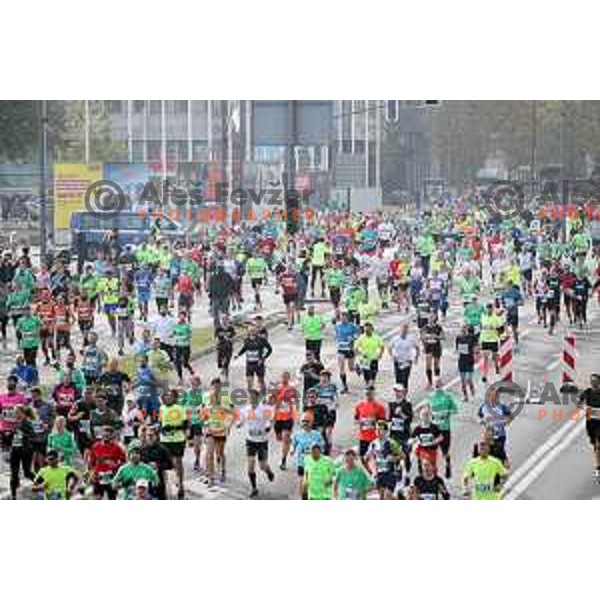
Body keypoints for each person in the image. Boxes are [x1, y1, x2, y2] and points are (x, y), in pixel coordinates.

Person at [238, 388, 276, 498]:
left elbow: (272, 419)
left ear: (258, 398)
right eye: (250, 397)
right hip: (250, 441)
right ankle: (254, 488)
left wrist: (269, 426)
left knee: (262, 466)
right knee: (250, 465)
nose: (251, 399)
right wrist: (239, 424)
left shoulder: (265, 409)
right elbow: (242, 420)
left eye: (254, 397)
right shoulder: (245, 410)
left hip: (262, 441)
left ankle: (268, 471)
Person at [158, 389, 187, 499]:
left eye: (170, 396)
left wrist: (173, 427)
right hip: (164, 440)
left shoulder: (180, 408)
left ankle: (181, 485)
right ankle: (168, 487)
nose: (168, 398)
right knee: (166, 465)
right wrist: (161, 429)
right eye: (166, 396)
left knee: (178, 463)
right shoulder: (162, 408)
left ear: (174, 398)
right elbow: (161, 423)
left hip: (178, 440)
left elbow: (185, 424)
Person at [428, 378, 459, 479]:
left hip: (444, 428)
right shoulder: (430, 397)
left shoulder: (447, 397)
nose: (437, 386)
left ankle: (448, 465)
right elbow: (429, 411)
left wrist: (447, 413)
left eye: (439, 384)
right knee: (432, 452)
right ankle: (433, 473)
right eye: (436, 384)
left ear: (442, 384)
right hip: (434, 428)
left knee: (445, 451)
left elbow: (455, 409)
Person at [365, 421, 403, 499]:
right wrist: (371, 470)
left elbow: (403, 456)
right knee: (381, 497)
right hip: (379, 473)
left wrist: (394, 458)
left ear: (386, 431)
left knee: (388, 495)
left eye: (380, 430)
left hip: (390, 473)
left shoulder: (392, 443)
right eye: (376, 429)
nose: (378, 432)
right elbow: (366, 458)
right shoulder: (373, 444)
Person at [87, 425, 127, 500]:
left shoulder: (117, 448)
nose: (106, 435)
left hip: (111, 476)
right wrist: (91, 472)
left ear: (112, 435)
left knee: (112, 498)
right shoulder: (95, 446)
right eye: (104, 433)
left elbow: (124, 462)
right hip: (98, 477)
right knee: (97, 498)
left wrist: (116, 465)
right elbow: (91, 462)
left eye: (108, 434)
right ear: (101, 434)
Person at [291, 413, 325, 499]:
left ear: (312, 422)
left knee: (312, 481)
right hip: (301, 462)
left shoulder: (317, 435)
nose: (305, 423)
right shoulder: (297, 434)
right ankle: (303, 497)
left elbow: (322, 447)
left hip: (314, 462)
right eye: (303, 421)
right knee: (302, 481)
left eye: (307, 421)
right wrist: (292, 450)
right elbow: (293, 445)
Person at [354, 385, 387, 463]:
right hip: (363, 437)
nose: (368, 394)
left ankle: (374, 474)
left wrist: (374, 422)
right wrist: (360, 422)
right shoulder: (359, 406)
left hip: (374, 438)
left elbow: (383, 423)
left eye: (370, 392)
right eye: (367, 392)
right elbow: (355, 420)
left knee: (375, 460)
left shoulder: (379, 407)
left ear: (374, 393)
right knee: (362, 459)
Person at [8, 405, 35, 499]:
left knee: (27, 472)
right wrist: (9, 434)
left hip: (26, 451)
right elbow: (14, 436)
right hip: (15, 450)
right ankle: (13, 495)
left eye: (17, 412)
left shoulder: (28, 422)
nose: (15, 414)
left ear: (22, 413)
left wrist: (24, 435)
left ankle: (43, 484)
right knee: (14, 473)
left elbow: (33, 435)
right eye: (15, 412)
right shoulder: (16, 422)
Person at [236, 326, 273, 393]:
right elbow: (244, 348)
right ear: (248, 332)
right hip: (249, 364)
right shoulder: (246, 340)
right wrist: (238, 355)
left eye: (253, 331)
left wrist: (263, 358)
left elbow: (270, 349)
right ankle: (251, 398)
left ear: (256, 332)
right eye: (250, 331)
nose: (252, 332)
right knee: (249, 381)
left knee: (261, 380)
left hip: (259, 364)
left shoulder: (261, 340)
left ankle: (263, 396)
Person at [140, 426, 173, 500]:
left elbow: (170, 465)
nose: (150, 437)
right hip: (145, 479)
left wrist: (158, 466)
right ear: (145, 436)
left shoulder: (163, 449)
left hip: (159, 478)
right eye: (148, 435)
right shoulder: (142, 449)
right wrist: (146, 466)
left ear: (156, 436)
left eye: (152, 435)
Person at [577, 374, 600, 483]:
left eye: (595, 381)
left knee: (598, 444)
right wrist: (582, 406)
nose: (593, 382)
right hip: (591, 422)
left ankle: (598, 468)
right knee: (595, 445)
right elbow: (579, 403)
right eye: (591, 381)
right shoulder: (587, 392)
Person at [334, 312, 360, 393]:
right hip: (341, 349)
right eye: (342, 317)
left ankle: (357, 368)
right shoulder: (337, 326)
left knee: (351, 368)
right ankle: (345, 386)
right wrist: (338, 340)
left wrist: (353, 338)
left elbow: (358, 333)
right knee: (341, 368)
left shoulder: (352, 326)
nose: (343, 319)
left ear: (347, 318)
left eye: (345, 318)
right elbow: (336, 335)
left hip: (350, 349)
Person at [389, 323, 420, 390]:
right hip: (398, 361)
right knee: (398, 379)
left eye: (405, 329)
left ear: (407, 331)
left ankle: (404, 397)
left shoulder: (411, 339)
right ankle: (399, 397)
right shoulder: (395, 339)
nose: (404, 331)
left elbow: (417, 348)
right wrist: (392, 356)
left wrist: (416, 358)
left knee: (405, 379)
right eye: (403, 329)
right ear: (400, 330)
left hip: (407, 361)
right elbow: (389, 348)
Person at [455, 323, 478, 402]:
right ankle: (465, 396)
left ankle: (472, 395)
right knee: (462, 380)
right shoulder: (458, 337)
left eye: (465, 328)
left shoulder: (472, 337)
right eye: (462, 328)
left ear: (467, 329)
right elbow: (457, 348)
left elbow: (476, 347)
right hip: (461, 360)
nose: (463, 330)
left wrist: (475, 352)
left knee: (469, 379)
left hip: (469, 360)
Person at [173, 310, 194, 384]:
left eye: (183, 316)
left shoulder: (187, 325)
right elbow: (173, 333)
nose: (181, 317)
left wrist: (184, 337)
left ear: (185, 317)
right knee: (177, 362)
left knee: (185, 362)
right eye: (180, 316)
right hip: (178, 346)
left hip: (185, 346)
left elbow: (189, 335)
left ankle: (191, 370)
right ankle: (180, 378)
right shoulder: (176, 325)